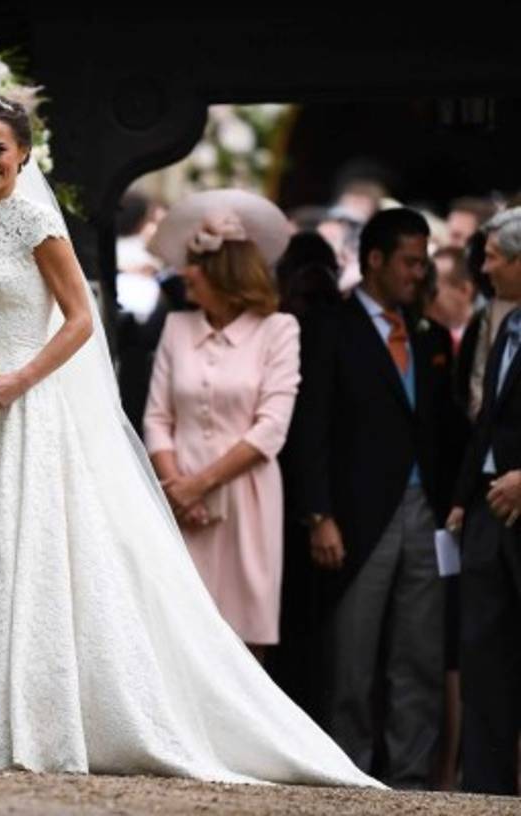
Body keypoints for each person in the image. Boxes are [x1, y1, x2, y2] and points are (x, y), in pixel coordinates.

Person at [0, 97, 381, 787]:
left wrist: (19, 380)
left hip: (37, 405)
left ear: (22, 155)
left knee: (46, 549)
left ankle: (53, 713)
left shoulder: (37, 221)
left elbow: (80, 321)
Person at [288, 207, 461, 787]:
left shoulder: (429, 333)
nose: (421, 273)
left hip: (425, 515)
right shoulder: (328, 327)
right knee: (352, 661)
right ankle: (350, 780)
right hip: (356, 518)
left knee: (418, 657)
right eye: (411, 262)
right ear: (376, 261)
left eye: (426, 261)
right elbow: (309, 428)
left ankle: (410, 782)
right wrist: (318, 516)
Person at [142, 190, 299, 661]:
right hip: (179, 501)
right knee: (183, 635)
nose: (186, 273)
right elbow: (157, 417)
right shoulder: (177, 328)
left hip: (247, 498)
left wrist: (201, 486)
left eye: (196, 262)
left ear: (222, 271)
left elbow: (271, 426)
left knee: (244, 635)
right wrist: (177, 487)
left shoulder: (279, 330)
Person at [446, 207, 521, 795]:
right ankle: (485, 794)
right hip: (488, 517)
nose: (485, 267)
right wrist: (463, 498)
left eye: (495, 256)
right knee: (485, 658)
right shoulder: (505, 326)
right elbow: (488, 423)